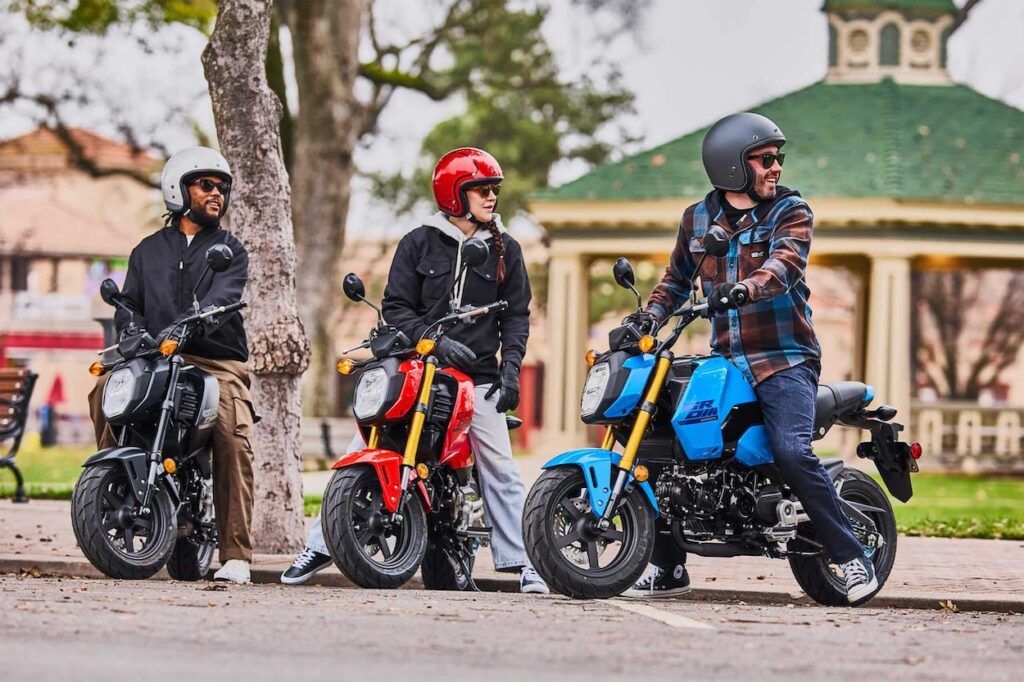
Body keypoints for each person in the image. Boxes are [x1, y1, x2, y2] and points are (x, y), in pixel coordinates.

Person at [622, 113, 877, 603]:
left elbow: (784, 266)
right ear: (734, 167)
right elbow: (676, 280)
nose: (776, 166)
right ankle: (668, 567)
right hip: (725, 360)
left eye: (778, 157)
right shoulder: (696, 219)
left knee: (790, 452)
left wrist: (743, 288)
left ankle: (851, 557)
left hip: (784, 358)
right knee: (661, 445)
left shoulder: (791, 211)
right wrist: (648, 318)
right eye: (766, 159)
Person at [282, 147, 548, 594]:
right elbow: (396, 308)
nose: (490, 197)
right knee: (358, 448)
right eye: (481, 189)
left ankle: (527, 563)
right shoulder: (419, 242)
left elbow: (516, 315)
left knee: (501, 468)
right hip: (415, 369)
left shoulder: (507, 249)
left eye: (493, 189)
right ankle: (320, 544)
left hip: (478, 377)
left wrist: (510, 371)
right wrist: (436, 340)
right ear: (453, 194)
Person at [88, 147, 256, 584]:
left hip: (214, 359)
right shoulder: (147, 251)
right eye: (206, 185)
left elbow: (223, 299)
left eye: (222, 187)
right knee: (105, 389)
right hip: (154, 354)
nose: (216, 193)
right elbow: (129, 303)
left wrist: (188, 327)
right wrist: (131, 330)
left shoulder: (229, 249)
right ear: (178, 189)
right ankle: (113, 485)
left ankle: (236, 554)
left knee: (231, 430)